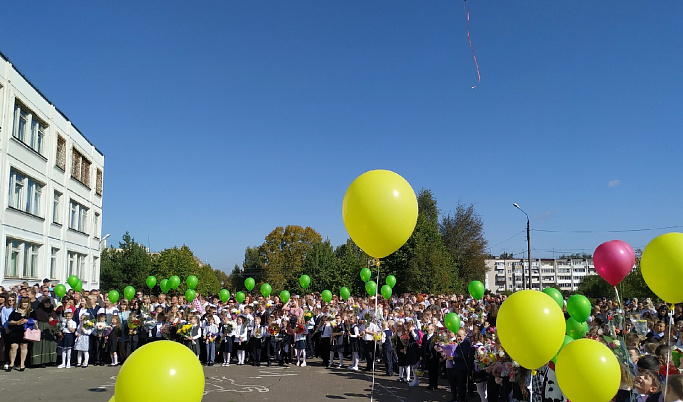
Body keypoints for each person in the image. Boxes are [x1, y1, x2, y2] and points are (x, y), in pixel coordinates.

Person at [29, 296, 58, 367]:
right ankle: (41, 361)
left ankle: (51, 360)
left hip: (50, 329)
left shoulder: (52, 311)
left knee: (51, 345)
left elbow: (55, 318)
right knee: (41, 346)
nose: (47, 304)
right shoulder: (38, 311)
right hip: (41, 327)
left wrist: (53, 321)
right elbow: (36, 319)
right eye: (46, 303)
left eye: (48, 303)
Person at [6, 297, 32, 371]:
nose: (25, 304)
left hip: (26, 331)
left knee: (23, 346)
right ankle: (11, 364)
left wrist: (27, 321)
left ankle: (22, 364)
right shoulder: (15, 311)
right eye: (23, 302)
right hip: (16, 331)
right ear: (20, 303)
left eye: (26, 302)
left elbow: (35, 321)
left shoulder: (31, 311)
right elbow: (9, 321)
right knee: (13, 347)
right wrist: (17, 322)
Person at [421, 323, 440, 390]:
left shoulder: (436, 337)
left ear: (433, 329)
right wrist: (421, 355)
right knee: (429, 371)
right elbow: (423, 346)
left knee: (434, 371)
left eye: (429, 327)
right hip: (427, 356)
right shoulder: (425, 336)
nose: (428, 328)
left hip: (433, 356)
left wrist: (439, 356)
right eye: (428, 327)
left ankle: (435, 384)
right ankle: (430, 383)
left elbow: (438, 347)